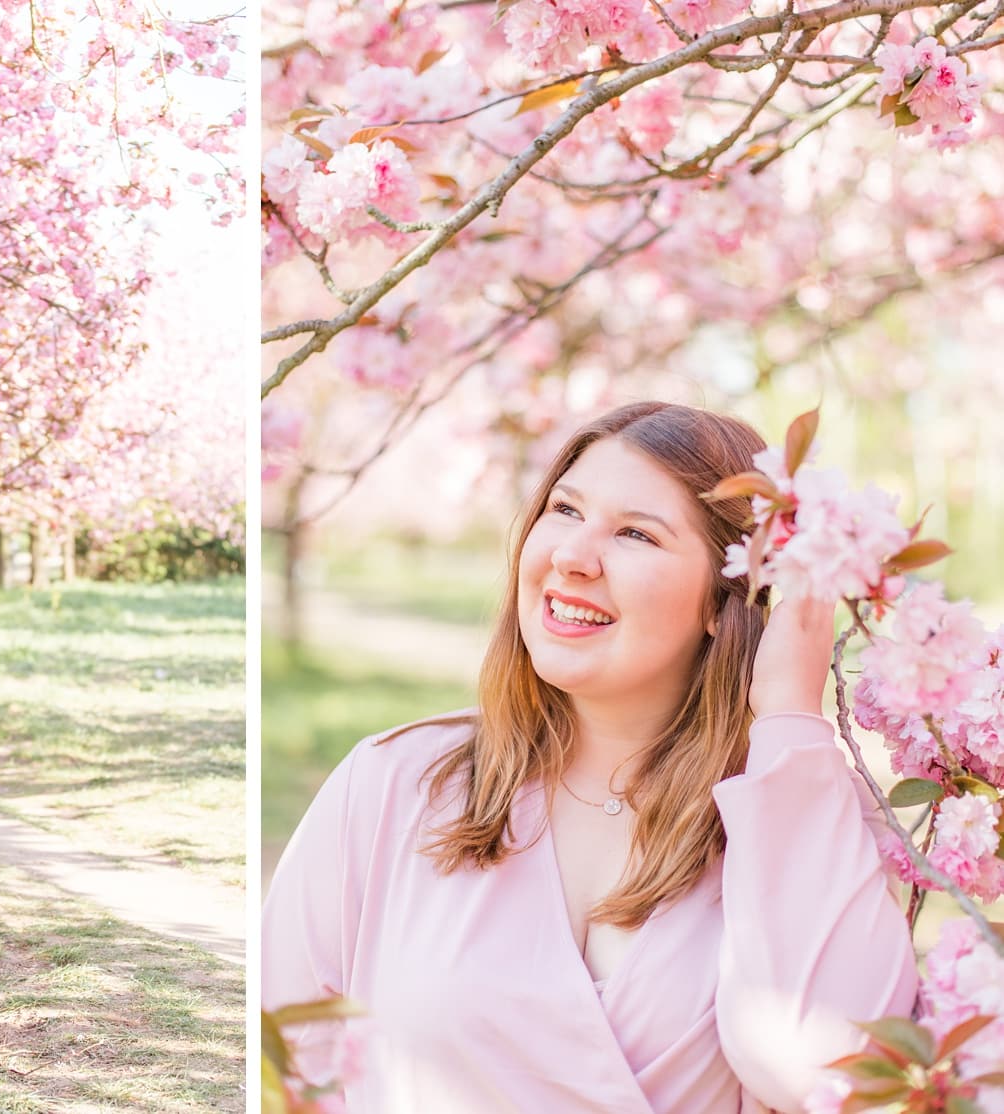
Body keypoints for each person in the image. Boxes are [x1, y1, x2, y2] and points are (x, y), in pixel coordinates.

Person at [262, 402, 918, 1113]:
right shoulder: (394, 785)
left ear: (723, 598)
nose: (572, 557)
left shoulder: (806, 811)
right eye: (565, 510)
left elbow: (838, 1080)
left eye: (636, 534)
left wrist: (790, 713)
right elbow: (284, 1070)